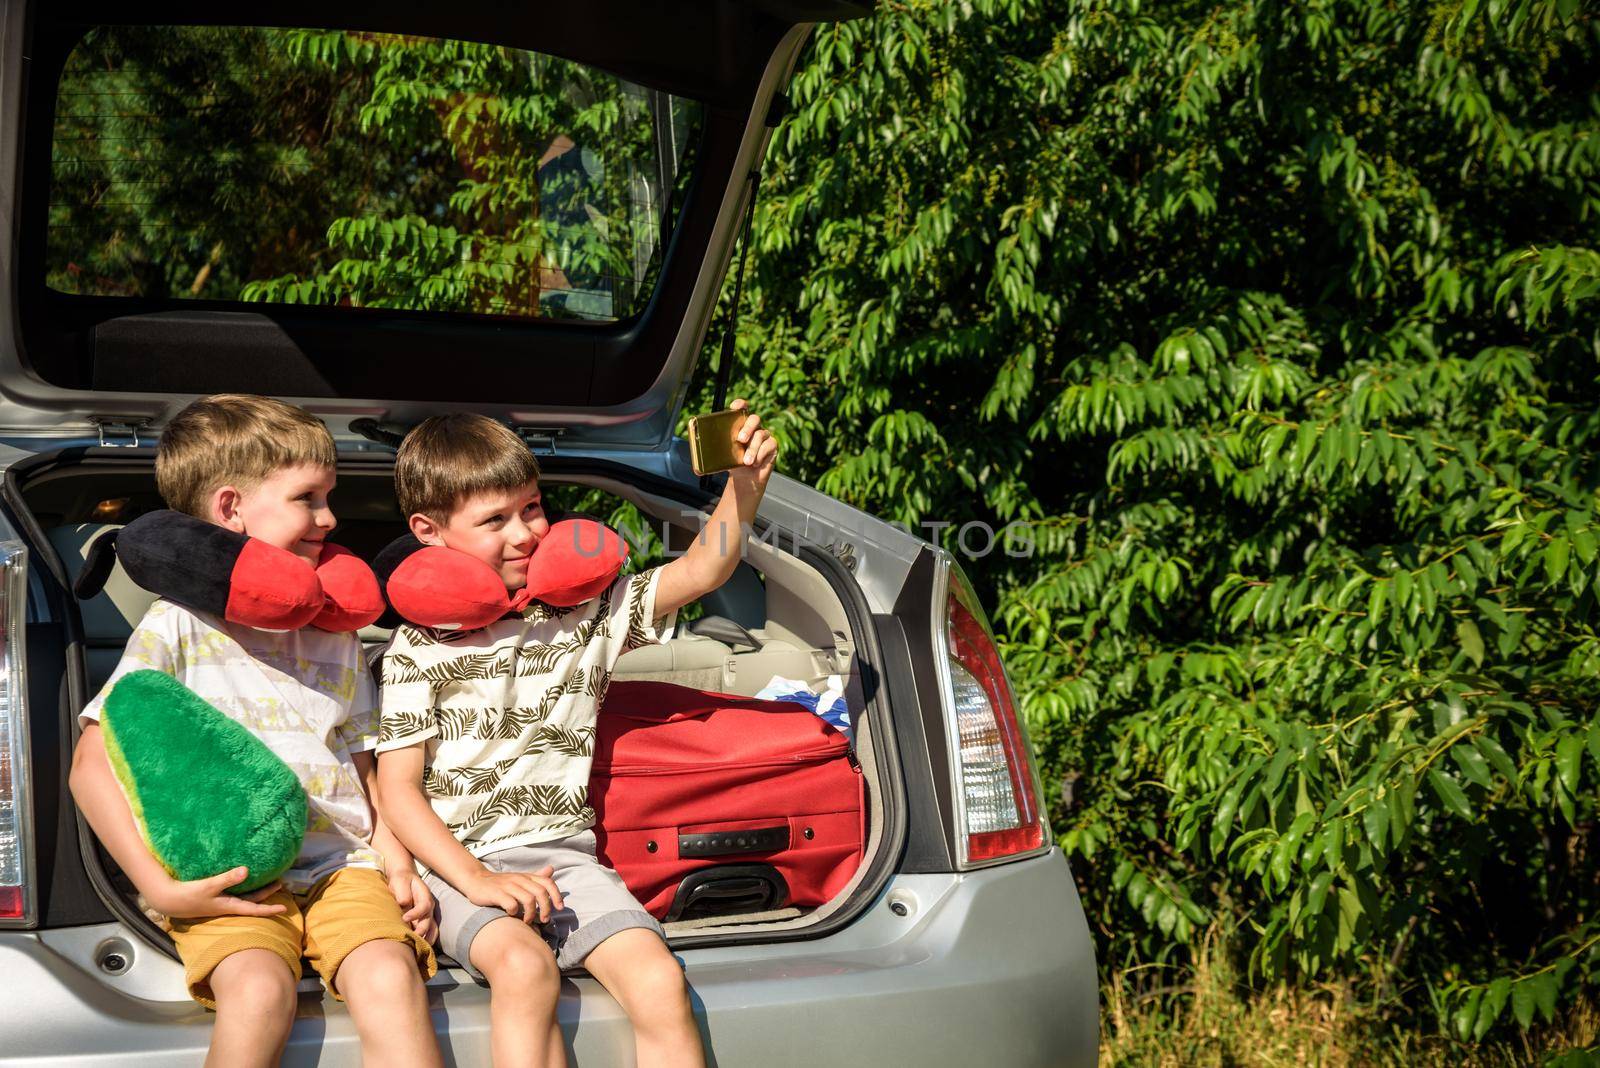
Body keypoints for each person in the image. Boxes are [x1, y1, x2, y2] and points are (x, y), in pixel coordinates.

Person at [375, 401, 777, 1068]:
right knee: (525, 969)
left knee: (657, 980)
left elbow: (702, 570)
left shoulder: (586, 616)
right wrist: (474, 879)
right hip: (454, 865)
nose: (525, 534)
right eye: (493, 520)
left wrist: (744, 487)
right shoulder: (415, 650)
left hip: (567, 860)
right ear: (429, 531)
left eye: (532, 508)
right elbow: (398, 791)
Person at [68, 394, 442, 1068]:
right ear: (232, 509)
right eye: (308, 498)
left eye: (329, 497)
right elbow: (89, 764)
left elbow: (361, 765)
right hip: (232, 880)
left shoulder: (336, 632)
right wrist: (160, 888)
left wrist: (399, 860)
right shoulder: (176, 625)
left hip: (341, 867)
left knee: (392, 978)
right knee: (259, 993)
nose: (330, 518)